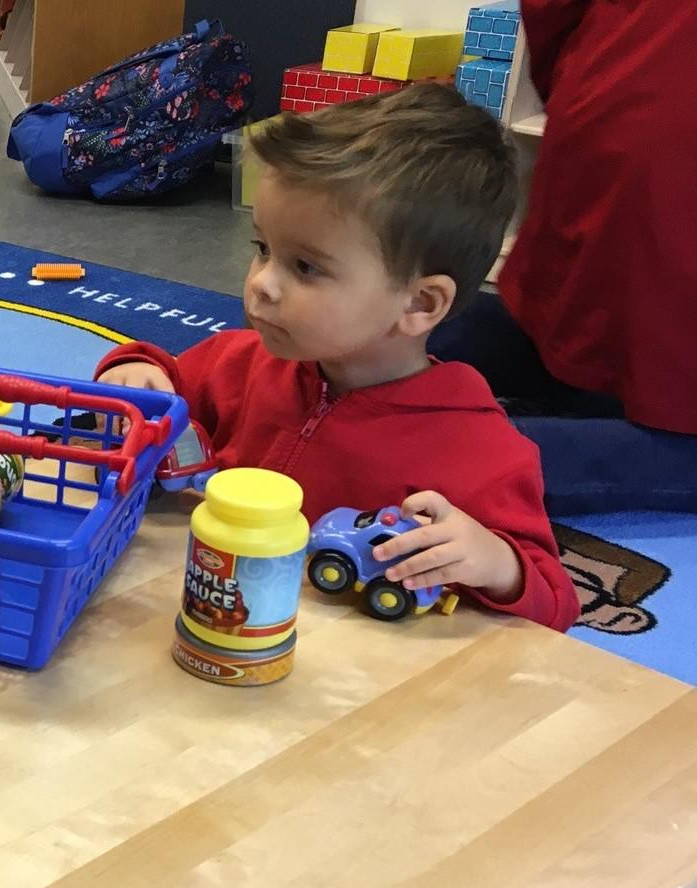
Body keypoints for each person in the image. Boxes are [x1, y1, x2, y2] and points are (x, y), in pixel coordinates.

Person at [97, 82, 578, 631]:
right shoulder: (242, 360)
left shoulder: (482, 452)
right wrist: (135, 371)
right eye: (263, 249)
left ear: (420, 303)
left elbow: (554, 601)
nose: (262, 285)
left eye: (305, 267)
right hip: (210, 617)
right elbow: (160, 381)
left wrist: (496, 563)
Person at [427, 0, 697, 516]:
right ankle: (417, 447)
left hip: (610, 93)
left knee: (556, 338)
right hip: (652, 141)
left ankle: (335, 365)